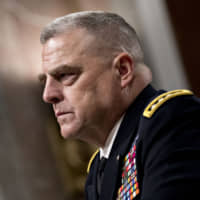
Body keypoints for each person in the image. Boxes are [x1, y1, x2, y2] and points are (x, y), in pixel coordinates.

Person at [39, 11, 200, 200]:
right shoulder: (97, 169)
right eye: (45, 81)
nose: (48, 95)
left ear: (122, 70)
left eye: (65, 75)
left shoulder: (172, 119)